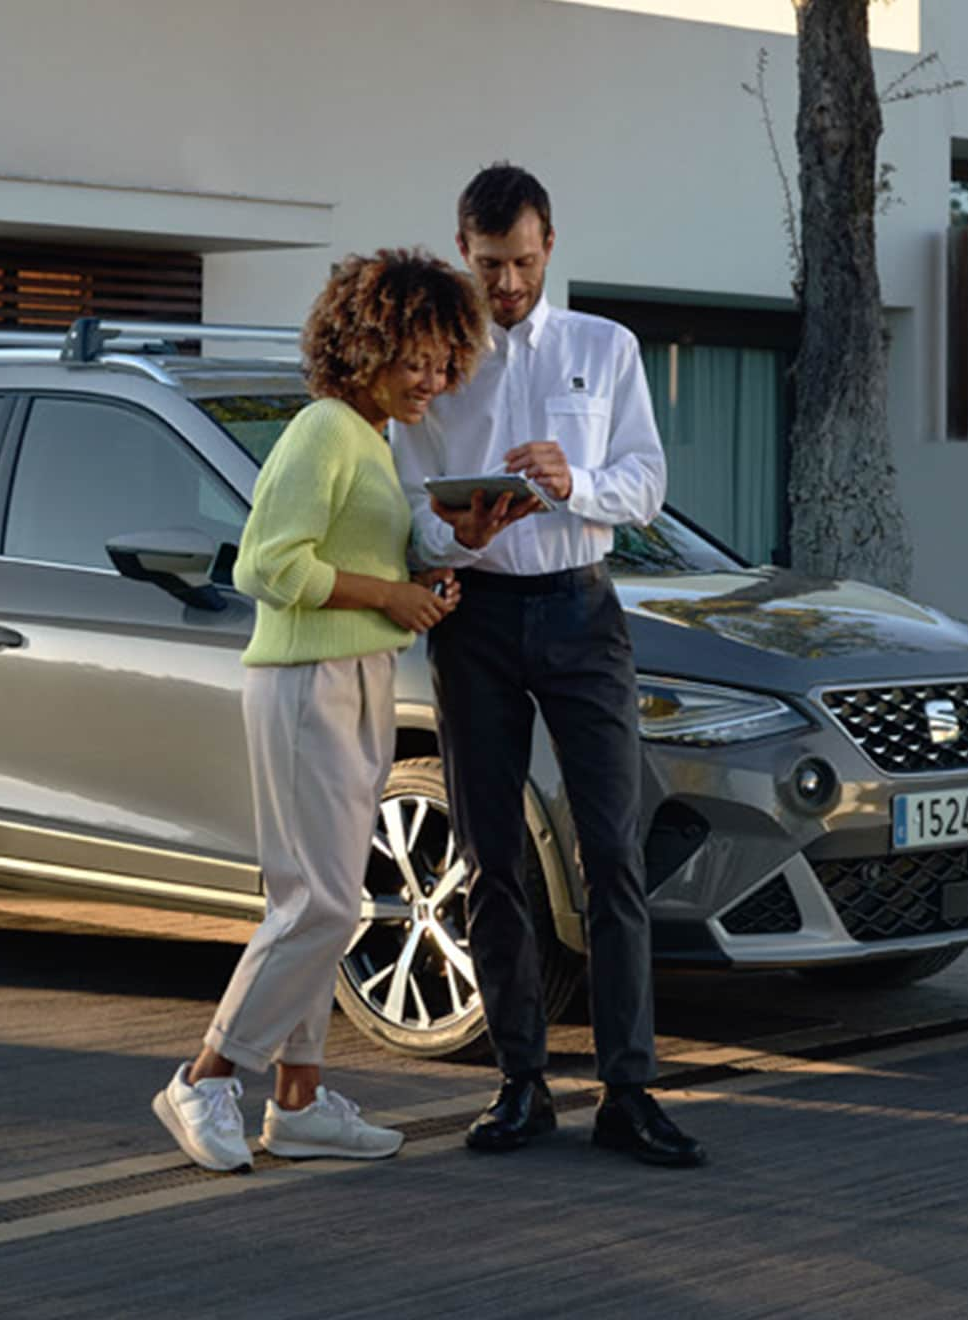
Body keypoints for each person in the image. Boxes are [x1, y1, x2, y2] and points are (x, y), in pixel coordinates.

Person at [394, 163, 704, 1168]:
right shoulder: (434, 366)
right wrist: (455, 534)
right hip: (475, 621)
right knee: (490, 858)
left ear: (550, 247)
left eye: (524, 262)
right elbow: (406, 507)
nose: (509, 282)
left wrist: (578, 484)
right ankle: (519, 1084)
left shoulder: (603, 348)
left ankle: (629, 1089)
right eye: (490, 264)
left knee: (611, 852)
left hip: (581, 613)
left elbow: (647, 483)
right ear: (461, 253)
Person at [153, 249, 489, 1173]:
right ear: (364, 345)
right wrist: (388, 597)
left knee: (317, 901)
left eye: (444, 362)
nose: (433, 379)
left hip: (357, 678)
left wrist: (430, 569)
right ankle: (205, 1076)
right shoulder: (323, 430)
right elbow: (265, 567)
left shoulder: (370, 438)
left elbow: (354, 564)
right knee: (324, 901)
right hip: (308, 684)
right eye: (415, 358)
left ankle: (297, 1102)